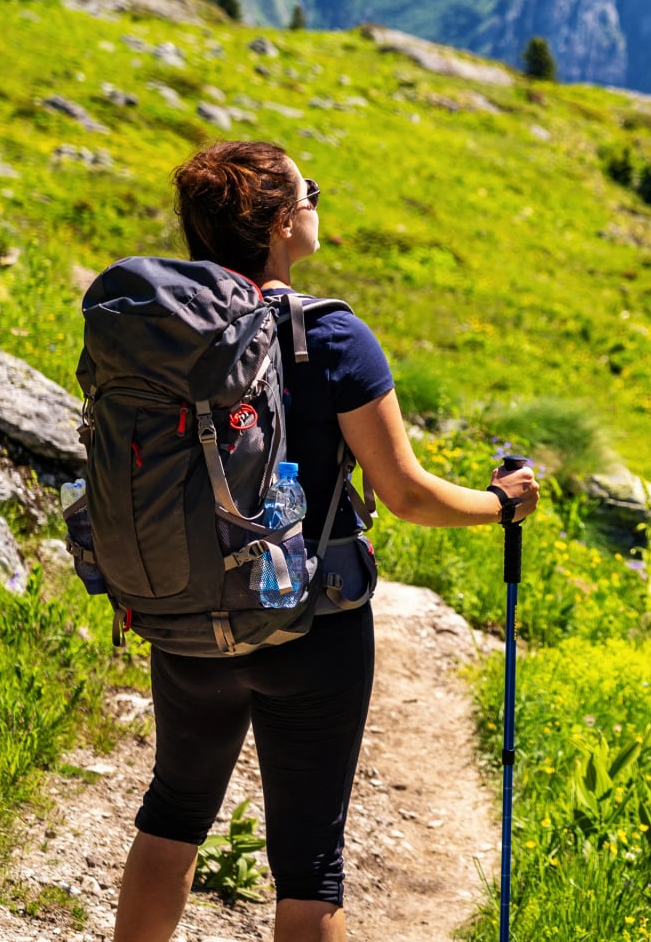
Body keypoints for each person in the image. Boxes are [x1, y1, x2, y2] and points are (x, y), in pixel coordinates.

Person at [113, 140, 538, 942]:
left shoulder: (165, 330)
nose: (317, 202)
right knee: (310, 870)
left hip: (185, 616)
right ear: (281, 224)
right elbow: (407, 493)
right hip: (313, 626)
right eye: (310, 192)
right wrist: (500, 506)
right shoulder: (331, 337)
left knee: (170, 818)